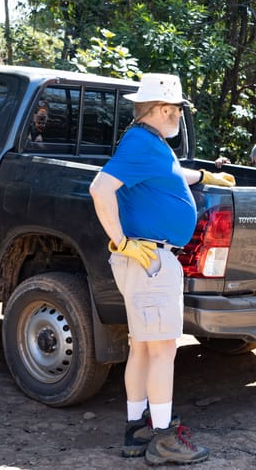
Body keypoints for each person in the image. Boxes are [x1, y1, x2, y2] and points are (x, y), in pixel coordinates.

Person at [89, 73, 234, 465]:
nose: (178, 116)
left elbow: (166, 177)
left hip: (147, 260)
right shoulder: (141, 141)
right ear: (159, 109)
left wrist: (203, 176)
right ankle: (164, 436)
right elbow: (99, 188)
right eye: (175, 109)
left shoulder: (150, 144)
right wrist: (121, 241)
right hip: (150, 260)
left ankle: (137, 428)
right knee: (163, 350)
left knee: (143, 348)